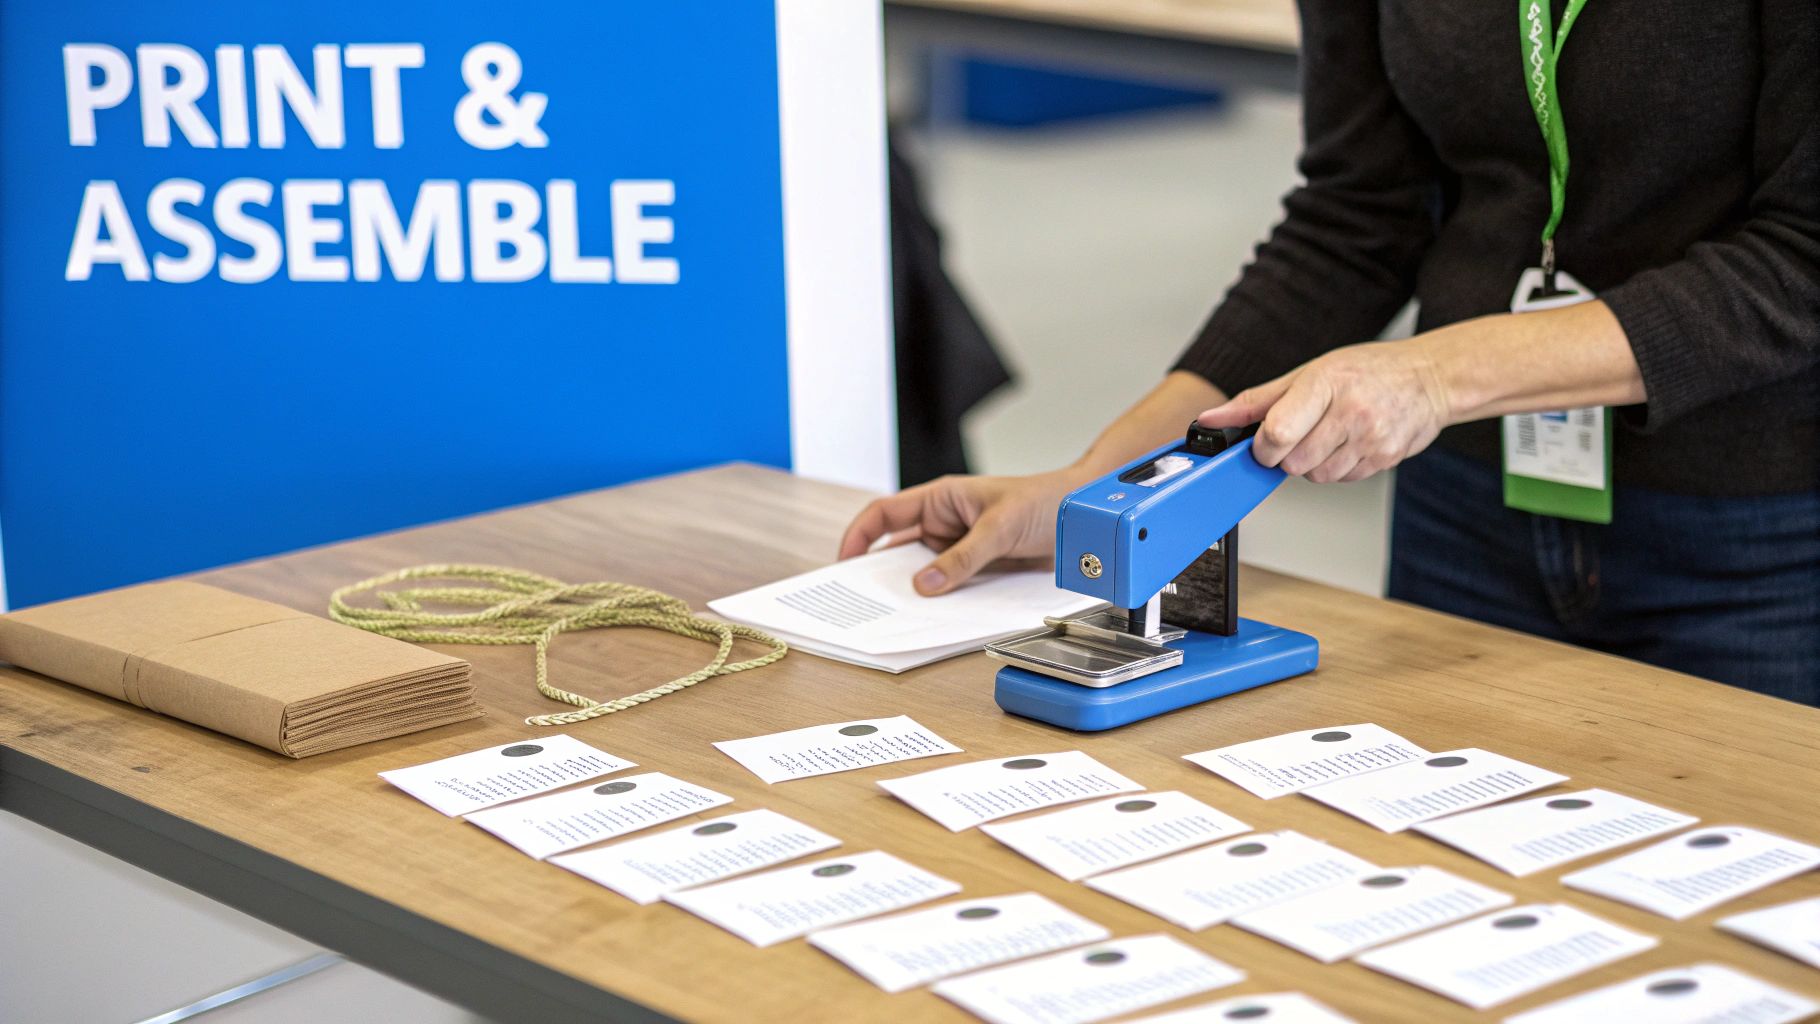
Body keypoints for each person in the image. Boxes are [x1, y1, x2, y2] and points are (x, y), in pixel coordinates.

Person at [840, 0, 1820, 705]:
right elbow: (1359, 214)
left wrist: (1433, 375)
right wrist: (1101, 486)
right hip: (1468, 508)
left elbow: (1800, 257)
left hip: (1758, 527)